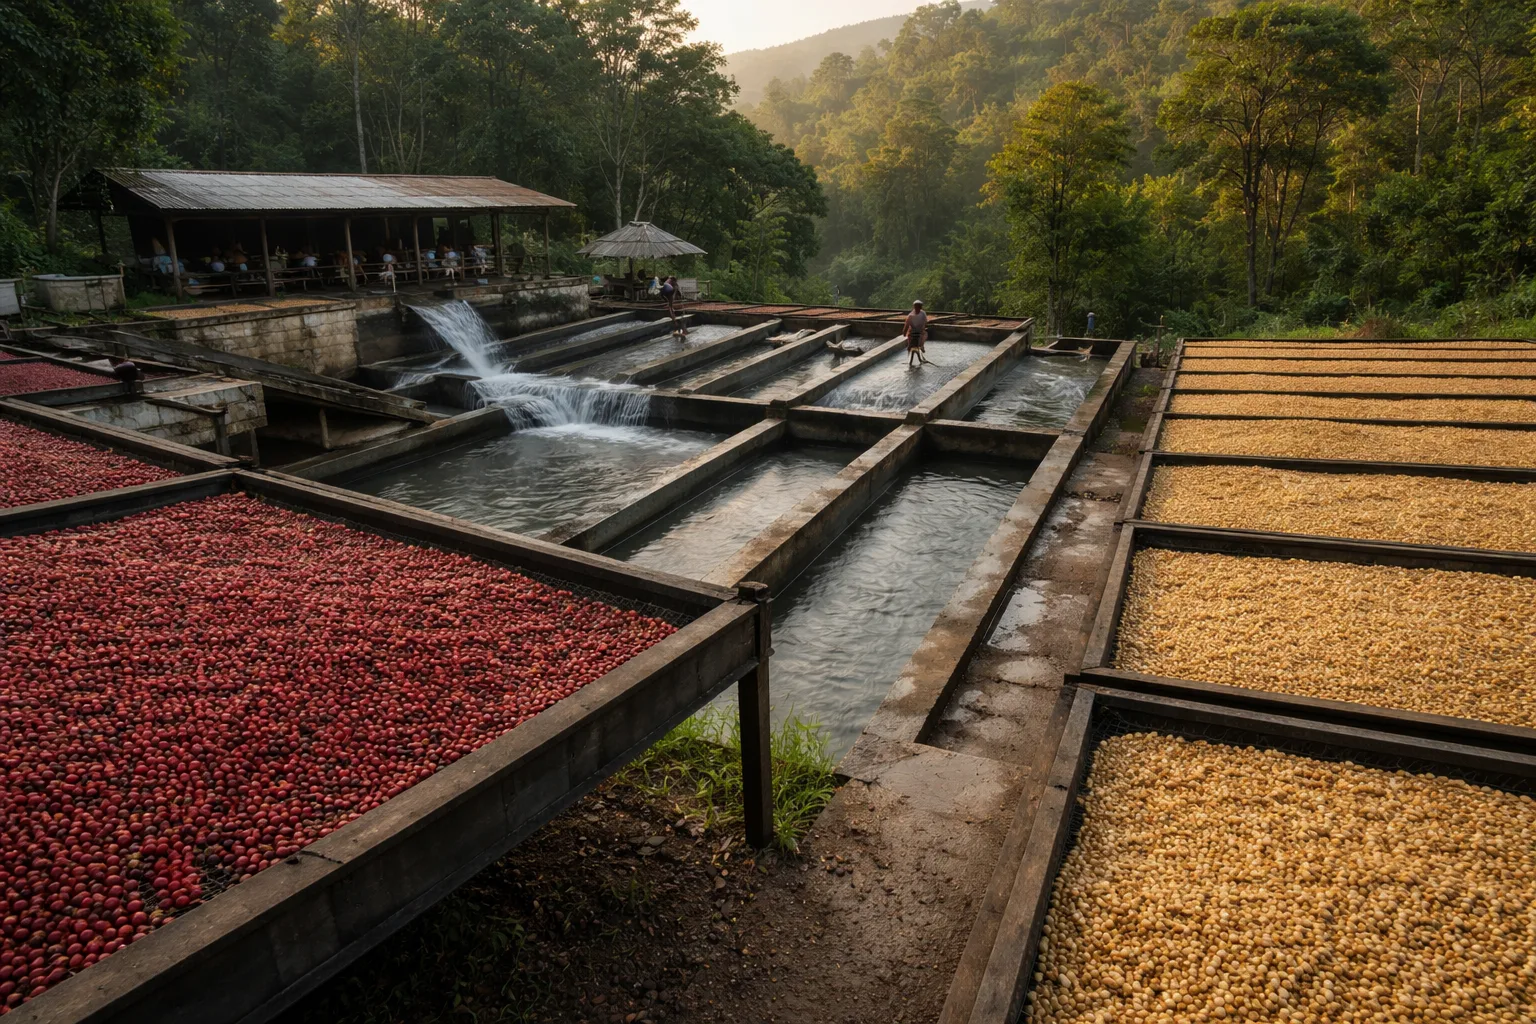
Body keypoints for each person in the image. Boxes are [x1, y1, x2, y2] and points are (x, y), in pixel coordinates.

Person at [905, 300, 930, 367]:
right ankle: (920, 346)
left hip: (917, 332)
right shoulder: (915, 314)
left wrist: (904, 332)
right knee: (924, 334)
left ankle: (920, 346)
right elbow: (925, 322)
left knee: (923, 335)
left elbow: (906, 326)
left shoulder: (911, 315)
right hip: (915, 332)